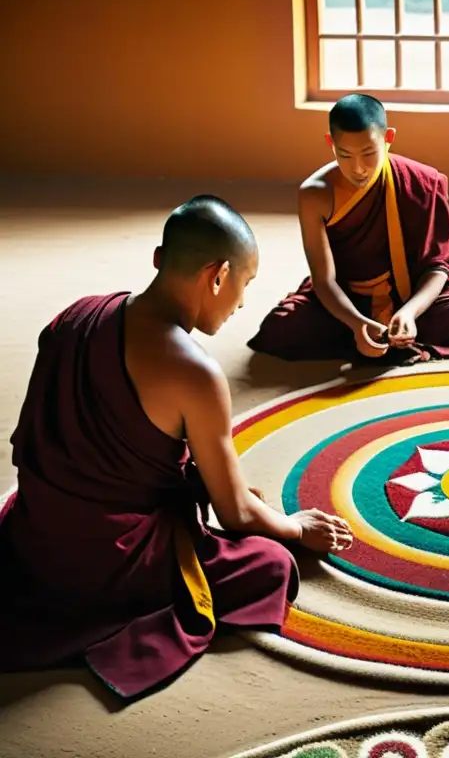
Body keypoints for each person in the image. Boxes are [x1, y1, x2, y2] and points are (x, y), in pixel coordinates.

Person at [0, 195, 353, 699]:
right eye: (244, 285)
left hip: (36, 531)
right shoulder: (196, 373)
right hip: (110, 558)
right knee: (270, 566)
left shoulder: (75, 316)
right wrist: (296, 527)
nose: (242, 303)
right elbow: (236, 516)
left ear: (159, 259)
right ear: (217, 275)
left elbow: (36, 436)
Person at [246, 93, 449, 364]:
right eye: (345, 155)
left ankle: (387, 335)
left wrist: (409, 313)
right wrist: (356, 323)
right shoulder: (315, 195)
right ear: (330, 142)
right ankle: (373, 337)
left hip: (410, 290)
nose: (358, 168)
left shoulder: (422, 181)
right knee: (282, 327)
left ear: (388, 138)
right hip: (348, 296)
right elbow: (324, 281)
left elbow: (439, 266)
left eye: (369, 153)